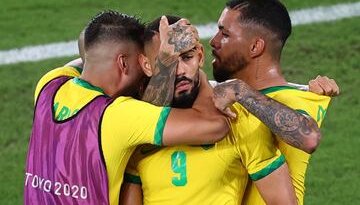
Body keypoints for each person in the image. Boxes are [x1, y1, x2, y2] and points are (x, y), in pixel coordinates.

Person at [119, 15, 337, 204]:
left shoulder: (240, 120)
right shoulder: (138, 124)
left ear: (200, 56)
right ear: (147, 65)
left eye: (186, 57)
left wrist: (240, 90)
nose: (180, 71)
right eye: (167, 60)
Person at [24, 11, 230, 205]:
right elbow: (214, 126)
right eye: (144, 64)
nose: (147, 72)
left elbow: (90, 48)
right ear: (123, 63)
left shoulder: (50, 84)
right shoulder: (119, 116)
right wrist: (192, 71)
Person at [210, 0, 335, 205]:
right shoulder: (228, 94)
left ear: (255, 47)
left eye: (225, 34)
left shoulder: (293, 98)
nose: (214, 41)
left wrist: (240, 91)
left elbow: (309, 137)